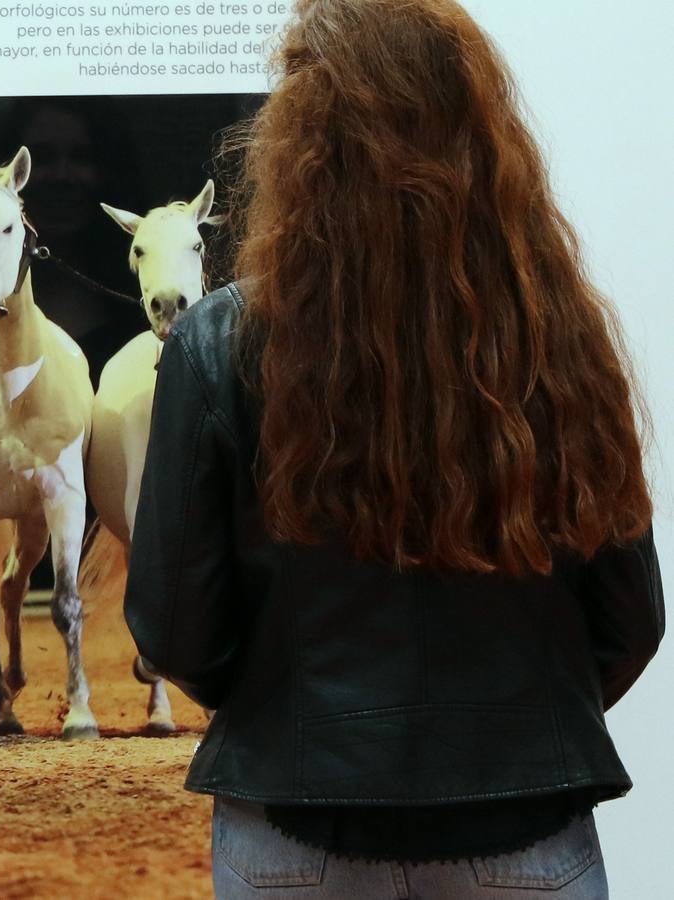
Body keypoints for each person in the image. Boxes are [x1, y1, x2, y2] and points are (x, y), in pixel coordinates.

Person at [123, 1, 663, 897]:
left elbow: (177, 627)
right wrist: (511, 724)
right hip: (526, 835)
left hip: (293, 838)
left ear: (299, 146)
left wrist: (278, 706)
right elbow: (630, 619)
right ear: (481, 133)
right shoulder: (558, 336)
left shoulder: (221, 344)